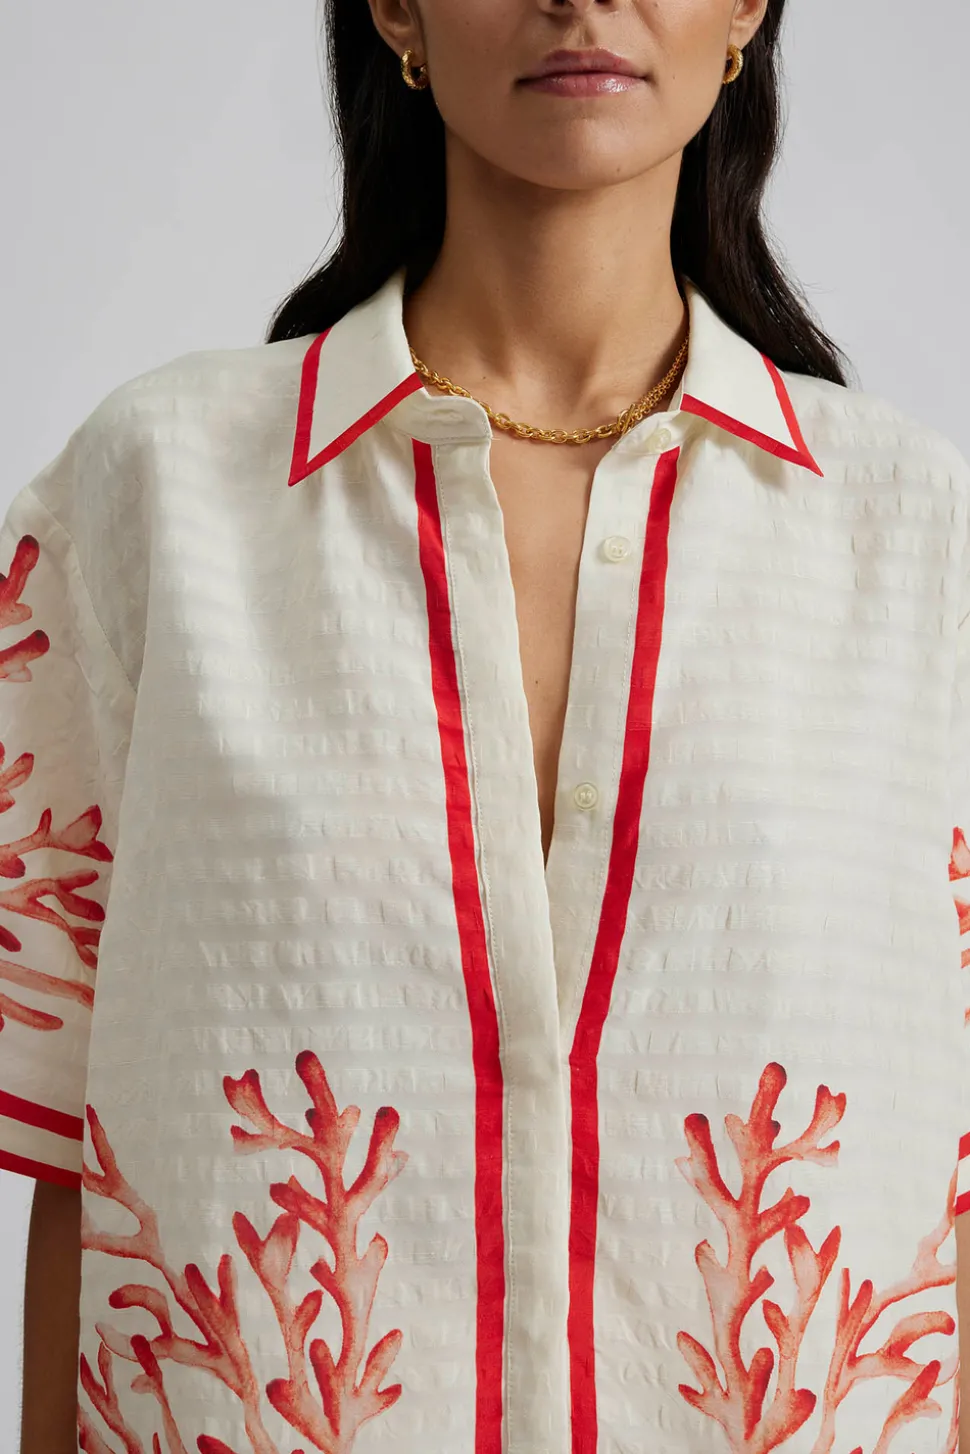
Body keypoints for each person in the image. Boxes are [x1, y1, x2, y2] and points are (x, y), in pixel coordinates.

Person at [5, 0, 970, 1450]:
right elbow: (76, 1170)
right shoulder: (152, 502)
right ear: (395, 7)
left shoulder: (913, 541)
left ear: (747, 11)